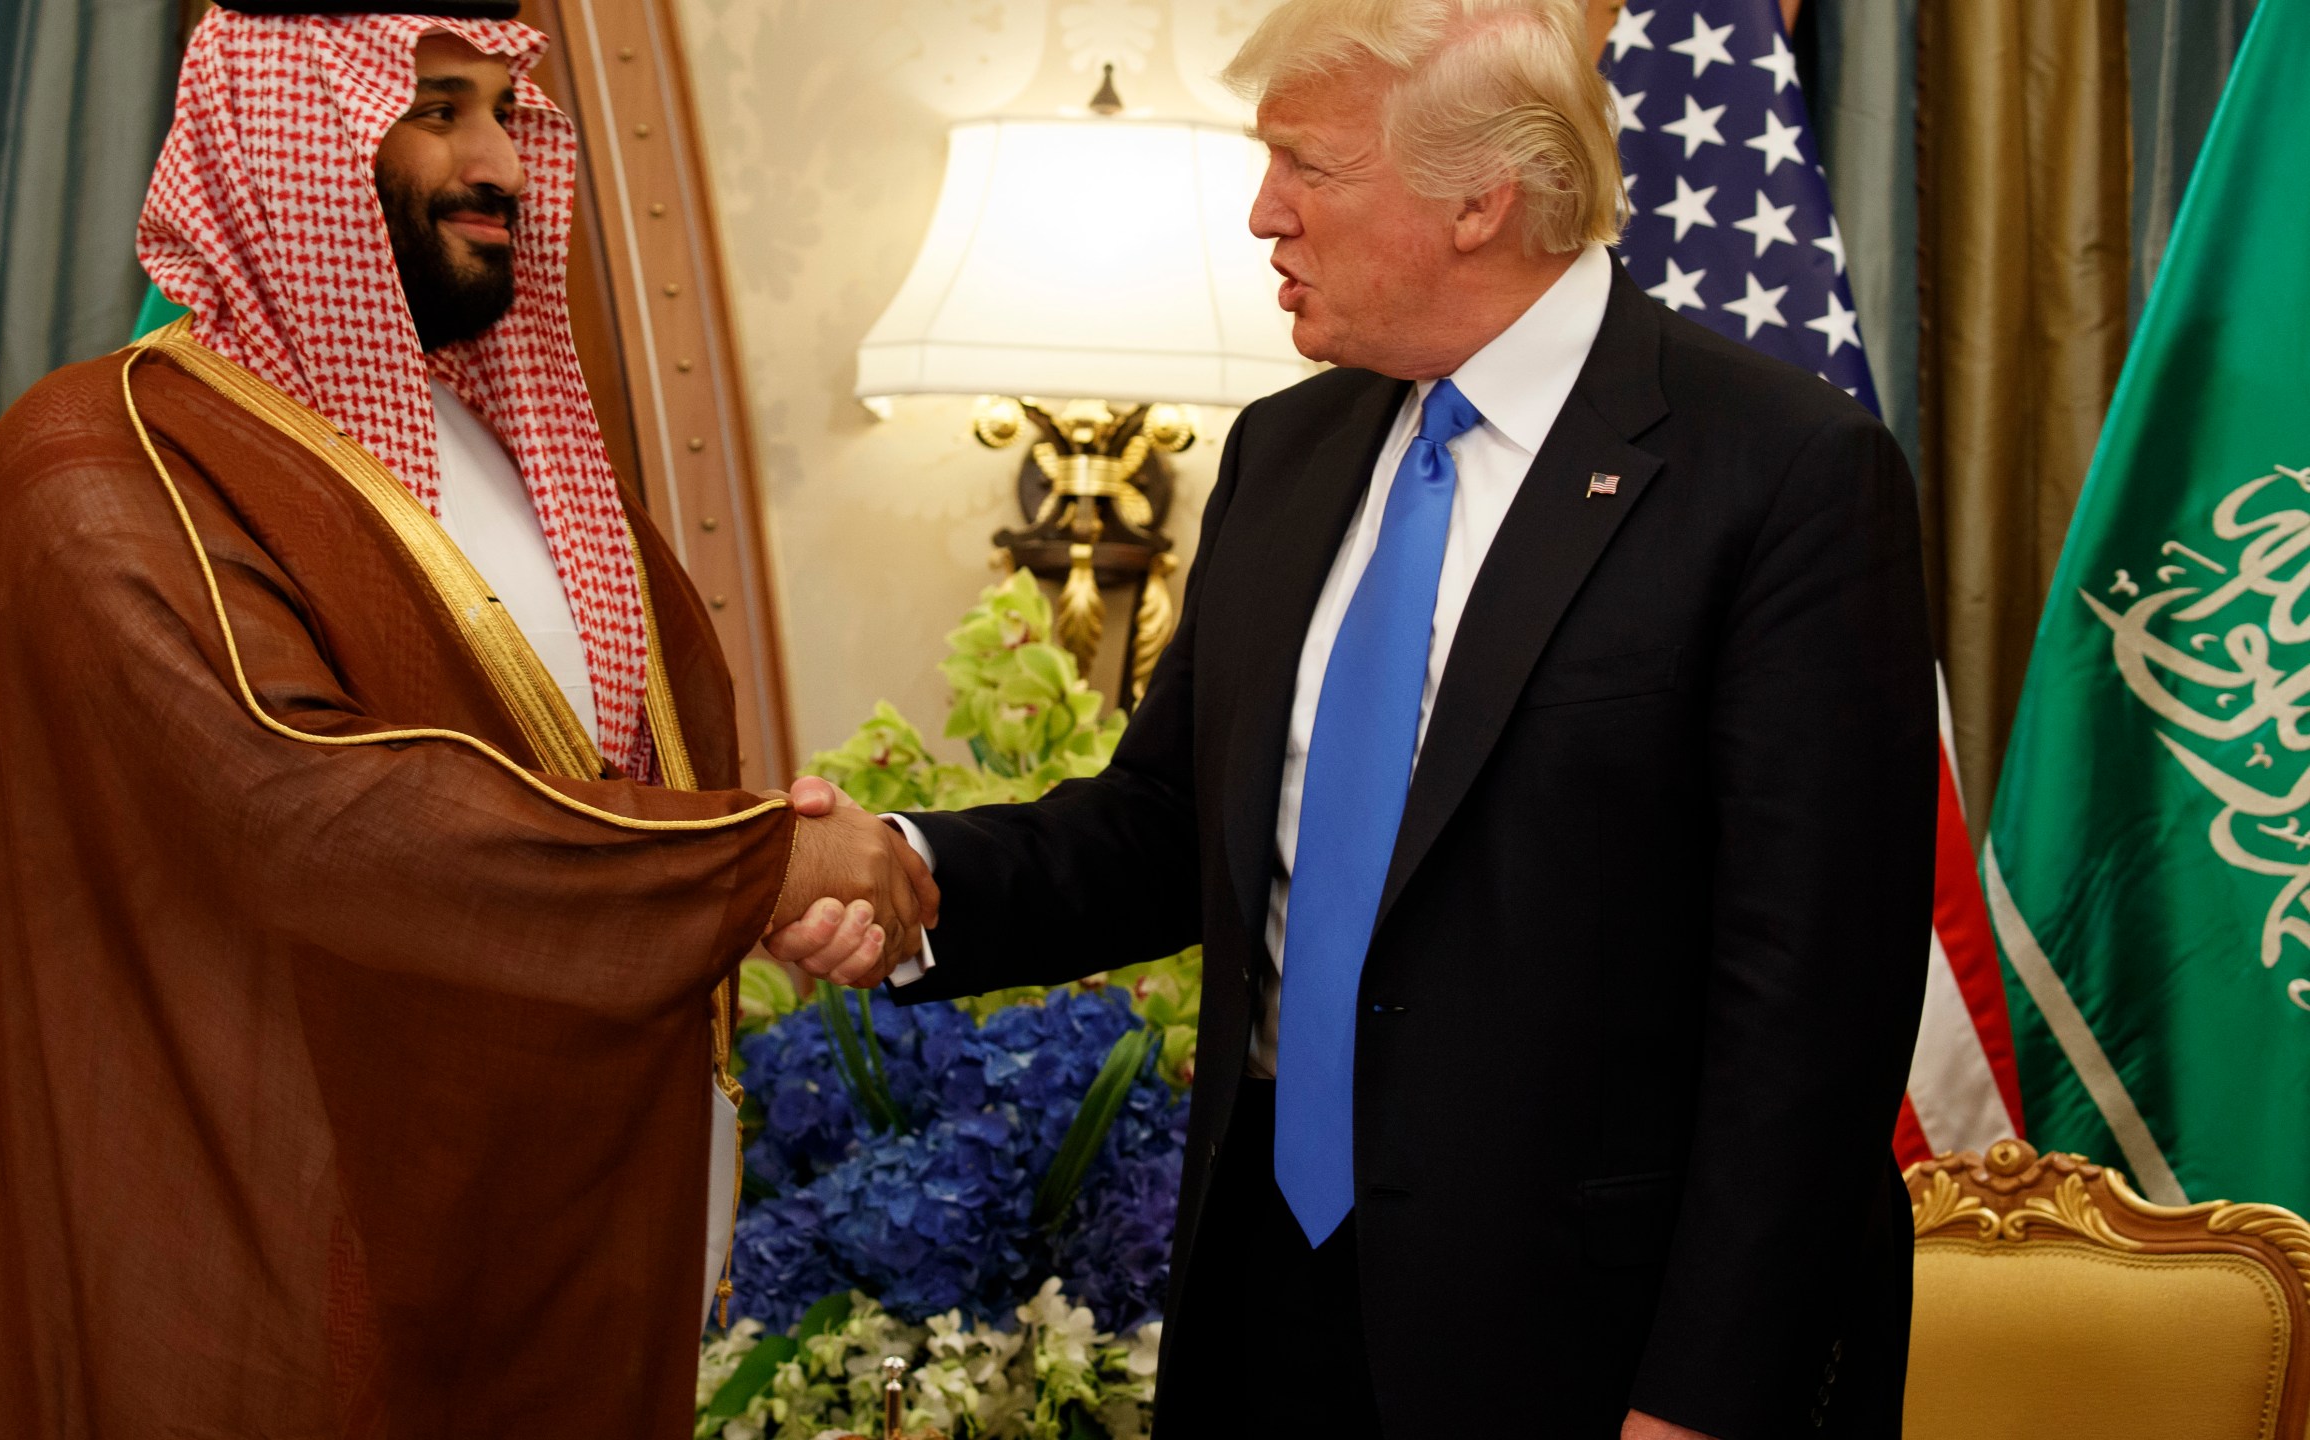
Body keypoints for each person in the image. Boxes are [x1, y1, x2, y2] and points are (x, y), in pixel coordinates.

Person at [772, 0, 1936, 1435]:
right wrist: (906, 873)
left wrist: (1706, 1400)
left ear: (1478, 199)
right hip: (1270, 1293)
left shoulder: (1783, 476)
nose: (1263, 213)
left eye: (1305, 166)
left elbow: (1813, 1008)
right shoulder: (1288, 450)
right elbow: (1163, 831)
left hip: (1588, 1340)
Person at [0, 5, 927, 1436]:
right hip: (242, 1275)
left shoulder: (530, 465)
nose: (500, 165)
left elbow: (633, 775)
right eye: (433, 110)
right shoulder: (96, 463)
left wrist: (770, 877)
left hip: (539, 1265)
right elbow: (307, 807)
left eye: (507, 112)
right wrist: (755, 865)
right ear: (282, 132)